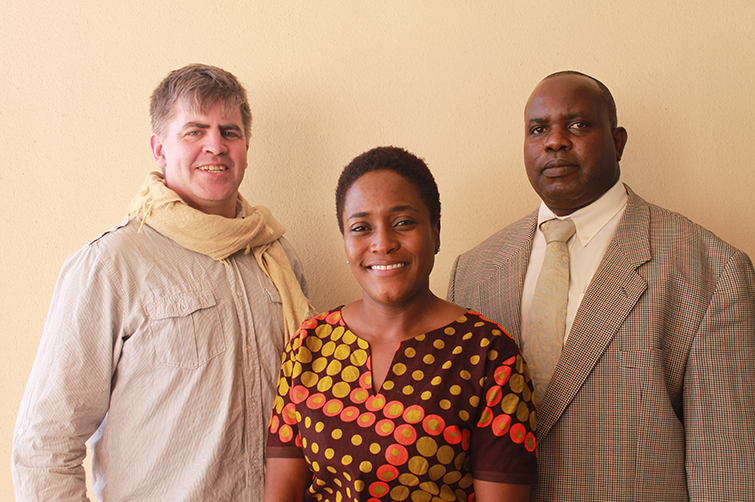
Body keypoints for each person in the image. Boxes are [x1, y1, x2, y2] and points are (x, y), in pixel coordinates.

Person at [448, 70, 755, 501]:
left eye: (577, 125)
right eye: (538, 129)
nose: (555, 141)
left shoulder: (711, 270)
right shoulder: (474, 271)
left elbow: (727, 469)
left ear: (618, 142)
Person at [12, 64, 313, 501]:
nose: (216, 145)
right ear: (159, 148)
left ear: (246, 147)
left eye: (229, 132)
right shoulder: (112, 264)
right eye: (194, 131)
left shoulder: (277, 257)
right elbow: (44, 447)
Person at [264, 146, 538, 502]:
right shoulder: (310, 343)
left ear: (435, 232)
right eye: (361, 228)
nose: (383, 243)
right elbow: (282, 491)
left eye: (403, 223)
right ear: (346, 242)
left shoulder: (489, 354)